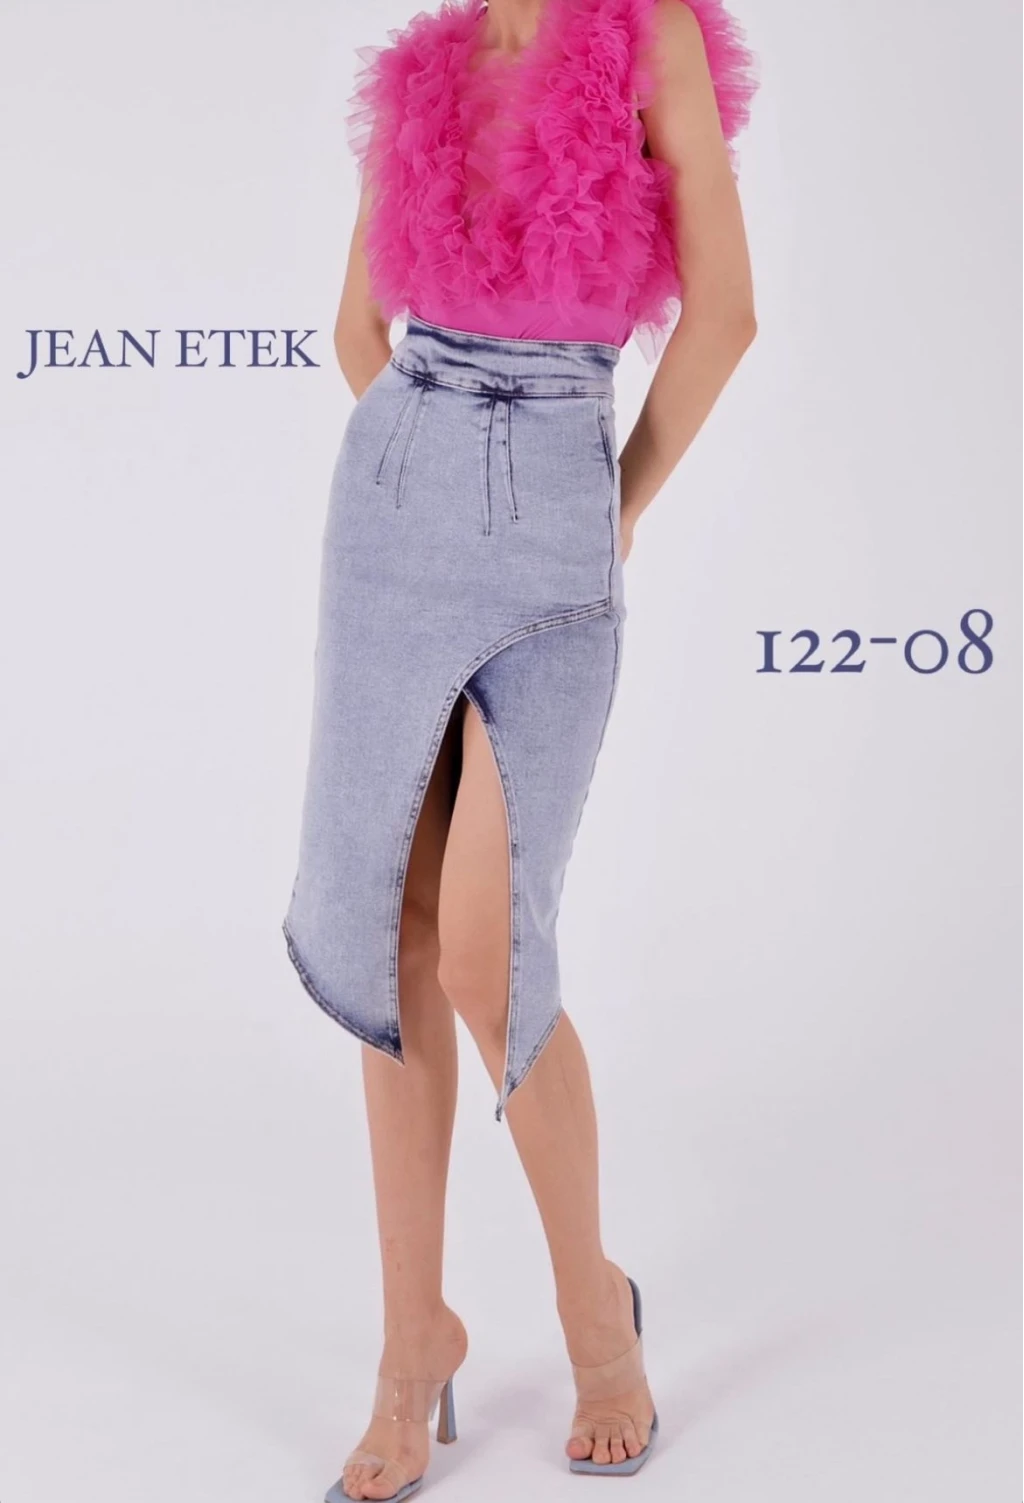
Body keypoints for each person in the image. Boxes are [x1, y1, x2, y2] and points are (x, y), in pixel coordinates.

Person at [282, 0, 759, 1497]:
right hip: (392, 512)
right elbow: (357, 330)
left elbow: (728, 316)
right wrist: (438, 471)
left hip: (556, 511)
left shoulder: (648, 37)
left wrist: (610, 504)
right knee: (395, 939)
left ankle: (595, 1318)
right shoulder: (424, 66)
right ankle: (410, 1344)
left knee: (490, 949)